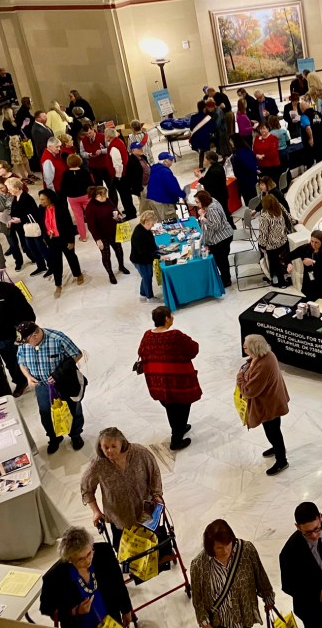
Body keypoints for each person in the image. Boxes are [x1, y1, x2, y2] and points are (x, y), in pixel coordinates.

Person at [80, 427, 163, 543]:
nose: (109, 451)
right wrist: (96, 512)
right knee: (126, 551)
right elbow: (86, 488)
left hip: (146, 511)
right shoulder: (98, 464)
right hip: (119, 517)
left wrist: (157, 494)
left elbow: (155, 474)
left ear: (122, 443)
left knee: (153, 543)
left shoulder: (140, 453)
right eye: (106, 447)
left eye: (113, 446)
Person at [39, 526, 132, 628]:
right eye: (80, 559)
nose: (88, 561)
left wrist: (126, 610)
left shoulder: (104, 553)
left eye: (89, 553)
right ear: (70, 559)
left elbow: (118, 584)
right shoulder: (54, 577)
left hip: (111, 620)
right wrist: (75, 611)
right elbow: (47, 609)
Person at [190, 519, 276, 628]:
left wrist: (268, 598)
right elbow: (198, 601)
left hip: (244, 619)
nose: (226, 551)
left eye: (228, 545)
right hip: (219, 623)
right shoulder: (198, 566)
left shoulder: (246, 550)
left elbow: (261, 576)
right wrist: (205, 623)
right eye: (220, 548)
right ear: (210, 547)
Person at [137, 306, 201, 450]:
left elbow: (141, 351)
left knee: (170, 407)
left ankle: (180, 428)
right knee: (183, 406)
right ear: (166, 319)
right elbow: (193, 349)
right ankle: (176, 439)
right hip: (178, 382)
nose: (172, 318)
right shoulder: (175, 336)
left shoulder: (147, 335)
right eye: (171, 316)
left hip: (156, 382)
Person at [17, 321, 84, 452]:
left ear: (35, 335)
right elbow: (21, 361)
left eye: (27, 341)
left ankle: (75, 435)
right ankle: (54, 438)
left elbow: (77, 354)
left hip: (63, 383)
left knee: (72, 408)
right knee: (46, 413)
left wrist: (61, 373)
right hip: (41, 386)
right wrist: (28, 377)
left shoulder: (57, 338)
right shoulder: (24, 344)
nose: (25, 345)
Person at [237, 334, 291, 475]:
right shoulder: (268, 354)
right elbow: (253, 361)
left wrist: (240, 377)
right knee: (274, 430)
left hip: (269, 404)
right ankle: (276, 448)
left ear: (254, 349)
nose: (244, 348)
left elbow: (250, 391)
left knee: (273, 432)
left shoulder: (263, 365)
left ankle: (282, 460)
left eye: (246, 347)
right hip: (273, 400)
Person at [39, 188, 83, 297]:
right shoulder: (41, 208)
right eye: (40, 199)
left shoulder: (61, 208)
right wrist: (45, 237)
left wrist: (71, 241)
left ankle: (78, 274)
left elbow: (69, 225)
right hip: (51, 239)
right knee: (55, 262)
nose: (41, 202)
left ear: (50, 199)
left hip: (64, 238)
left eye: (43, 199)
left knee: (71, 257)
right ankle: (58, 284)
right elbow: (42, 224)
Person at [84, 185, 128, 284]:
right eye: (103, 195)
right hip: (102, 236)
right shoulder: (90, 208)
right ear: (96, 196)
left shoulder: (108, 201)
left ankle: (121, 266)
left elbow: (116, 210)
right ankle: (110, 274)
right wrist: (97, 240)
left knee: (119, 250)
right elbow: (91, 226)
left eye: (105, 194)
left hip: (113, 232)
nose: (105, 196)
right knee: (106, 255)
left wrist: (118, 216)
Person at [6, 176, 49, 274]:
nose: (8, 190)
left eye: (10, 188)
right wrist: (10, 220)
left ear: (17, 188)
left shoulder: (26, 198)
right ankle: (41, 266)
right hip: (24, 228)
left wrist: (20, 219)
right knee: (32, 248)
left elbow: (34, 214)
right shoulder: (16, 197)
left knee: (41, 248)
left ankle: (51, 266)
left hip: (32, 227)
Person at [194, 189, 234, 289]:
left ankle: (226, 280)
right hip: (221, 237)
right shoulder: (212, 201)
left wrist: (203, 218)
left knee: (221, 260)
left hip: (221, 238)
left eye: (198, 202)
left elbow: (216, 226)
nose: (196, 204)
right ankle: (225, 278)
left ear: (203, 200)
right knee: (221, 260)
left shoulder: (212, 209)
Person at [286, 229, 322, 301]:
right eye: (312, 241)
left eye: (316, 242)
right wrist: (289, 264)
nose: (313, 244)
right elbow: (289, 256)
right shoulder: (306, 248)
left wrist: (313, 262)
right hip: (309, 284)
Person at [257, 194, 293, 285]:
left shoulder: (265, 216)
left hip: (272, 245)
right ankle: (278, 277)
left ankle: (280, 282)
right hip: (283, 240)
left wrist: (262, 245)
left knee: (275, 263)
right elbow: (288, 217)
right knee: (279, 261)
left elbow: (263, 233)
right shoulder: (279, 207)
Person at [59, 153, 93, 242]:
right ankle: (98, 232)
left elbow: (63, 187)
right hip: (85, 196)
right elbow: (91, 184)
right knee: (91, 214)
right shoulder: (85, 171)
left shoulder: (65, 173)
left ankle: (83, 236)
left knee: (78, 217)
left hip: (73, 198)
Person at [194, 150, 233, 225]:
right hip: (222, 194)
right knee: (225, 212)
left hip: (218, 196)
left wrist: (199, 177)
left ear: (209, 160)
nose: (204, 160)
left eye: (205, 159)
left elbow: (209, 184)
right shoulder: (217, 166)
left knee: (224, 213)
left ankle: (230, 227)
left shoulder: (214, 170)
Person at [130, 210, 160, 302]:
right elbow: (144, 253)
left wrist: (157, 248)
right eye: (152, 224)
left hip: (144, 258)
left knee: (146, 276)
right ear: (146, 222)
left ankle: (142, 294)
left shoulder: (144, 229)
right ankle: (149, 297)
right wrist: (159, 257)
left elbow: (150, 242)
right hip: (140, 260)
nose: (153, 226)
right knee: (147, 277)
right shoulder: (139, 234)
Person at [145, 151, 184, 219]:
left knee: (160, 220)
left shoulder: (154, 167)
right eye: (171, 160)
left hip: (152, 199)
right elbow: (173, 188)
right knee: (170, 222)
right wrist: (183, 194)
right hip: (163, 201)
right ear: (165, 161)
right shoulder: (165, 172)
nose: (172, 162)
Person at [230, 134, 261, 205]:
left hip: (245, 179)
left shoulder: (240, 152)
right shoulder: (246, 149)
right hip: (250, 177)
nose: (231, 143)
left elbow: (247, 164)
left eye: (231, 141)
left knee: (249, 197)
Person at [124, 142, 151, 211]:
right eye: (138, 148)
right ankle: (143, 220)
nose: (141, 149)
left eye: (141, 147)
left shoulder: (143, 157)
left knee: (151, 205)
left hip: (149, 185)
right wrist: (139, 189)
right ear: (133, 150)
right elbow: (131, 178)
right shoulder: (131, 162)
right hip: (142, 187)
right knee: (145, 207)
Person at [189, 100, 215, 168]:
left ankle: (201, 166)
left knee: (201, 152)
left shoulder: (193, 117)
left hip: (196, 139)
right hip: (205, 138)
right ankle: (212, 165)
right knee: (207, 152)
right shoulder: (208, 117)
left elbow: (191, 128)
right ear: (204, 108)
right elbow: (212, 128)